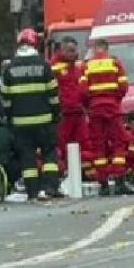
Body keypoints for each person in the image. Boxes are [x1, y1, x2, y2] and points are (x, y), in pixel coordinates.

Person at [0, 28, 62, 199]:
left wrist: (10, 117)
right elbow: (53, 95)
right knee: (49, 153)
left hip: (20, 124)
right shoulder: (44, 65)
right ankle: (50, 187)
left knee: (27, 158)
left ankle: (32, 191)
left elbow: (5, 99)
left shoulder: (10, 68)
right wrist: (56, 114)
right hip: (44, 122)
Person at [80, 38, 130, 196]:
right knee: (118, 143)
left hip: (95, 109)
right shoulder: (115, 63)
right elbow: (123, 86)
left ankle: (103, 185)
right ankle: (120, 181)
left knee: (98, 145)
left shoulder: (87, 66)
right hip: (113, 108)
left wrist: (90, 104)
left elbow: (82, 90)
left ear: (95, 49)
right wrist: (115, 99)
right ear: (107, 49)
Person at [50, 36, 86, 180]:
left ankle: (78, 174)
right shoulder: (53, 66)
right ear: (62, 50)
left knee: (82, 144)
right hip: (63, 113)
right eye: (70, 51)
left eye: (74, 50)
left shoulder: (78, 67)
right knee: (62, 146)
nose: (74, 53)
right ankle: (64, 175)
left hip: (78, 112)